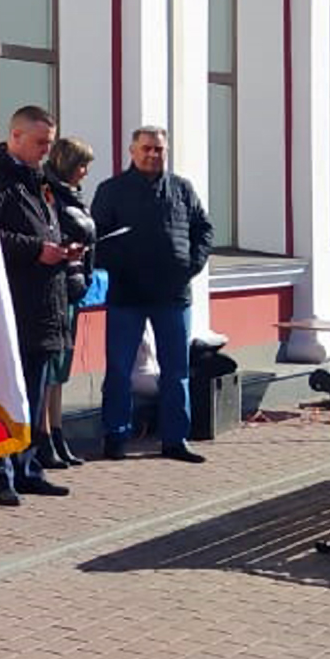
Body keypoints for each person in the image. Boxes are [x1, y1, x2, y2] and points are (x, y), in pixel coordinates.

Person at [90, 125, 214, 462]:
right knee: (119, 369)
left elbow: (204, 229)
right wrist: (121, 265)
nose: (153, 154)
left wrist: (190, 264)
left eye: (159, 149)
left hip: (173, 295)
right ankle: (115, 436)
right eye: (146, 148)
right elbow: (95, 239)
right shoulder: (111, 190)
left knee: (176, 370)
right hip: (126, 295)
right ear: (132, 151)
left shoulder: (181, 189)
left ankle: (175, 439)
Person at [0, 105, 77, 505]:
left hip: (44, 303)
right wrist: (38, 250)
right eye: (40, 143)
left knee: (35, 392)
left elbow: (49, 224)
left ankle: (28, 466)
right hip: (10, 303)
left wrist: (65, 248)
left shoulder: (41, 179)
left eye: (49, 144)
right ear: (15, 136)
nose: (45, 151)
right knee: (5, 393)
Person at [43, 135, 97, 469]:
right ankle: (44, 435)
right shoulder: (48, 194)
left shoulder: (73, 195)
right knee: (48, 368)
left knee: (61, 368)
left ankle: (58, 431)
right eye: (82, 165)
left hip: (74, 287)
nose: (85, 173)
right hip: (54, 290)